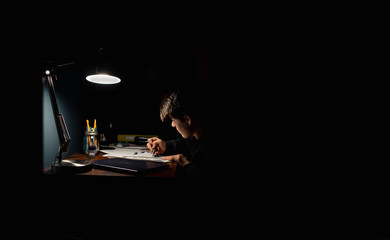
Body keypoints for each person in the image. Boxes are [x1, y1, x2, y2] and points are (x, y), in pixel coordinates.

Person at [147, 88, 215, 190]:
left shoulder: (210, 149)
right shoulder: (196, 137)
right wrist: (165, 145)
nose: (172, 125)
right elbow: (183, 143)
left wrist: (183, 162)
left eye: (173, 120)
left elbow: (206, 183)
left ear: (187, 120)